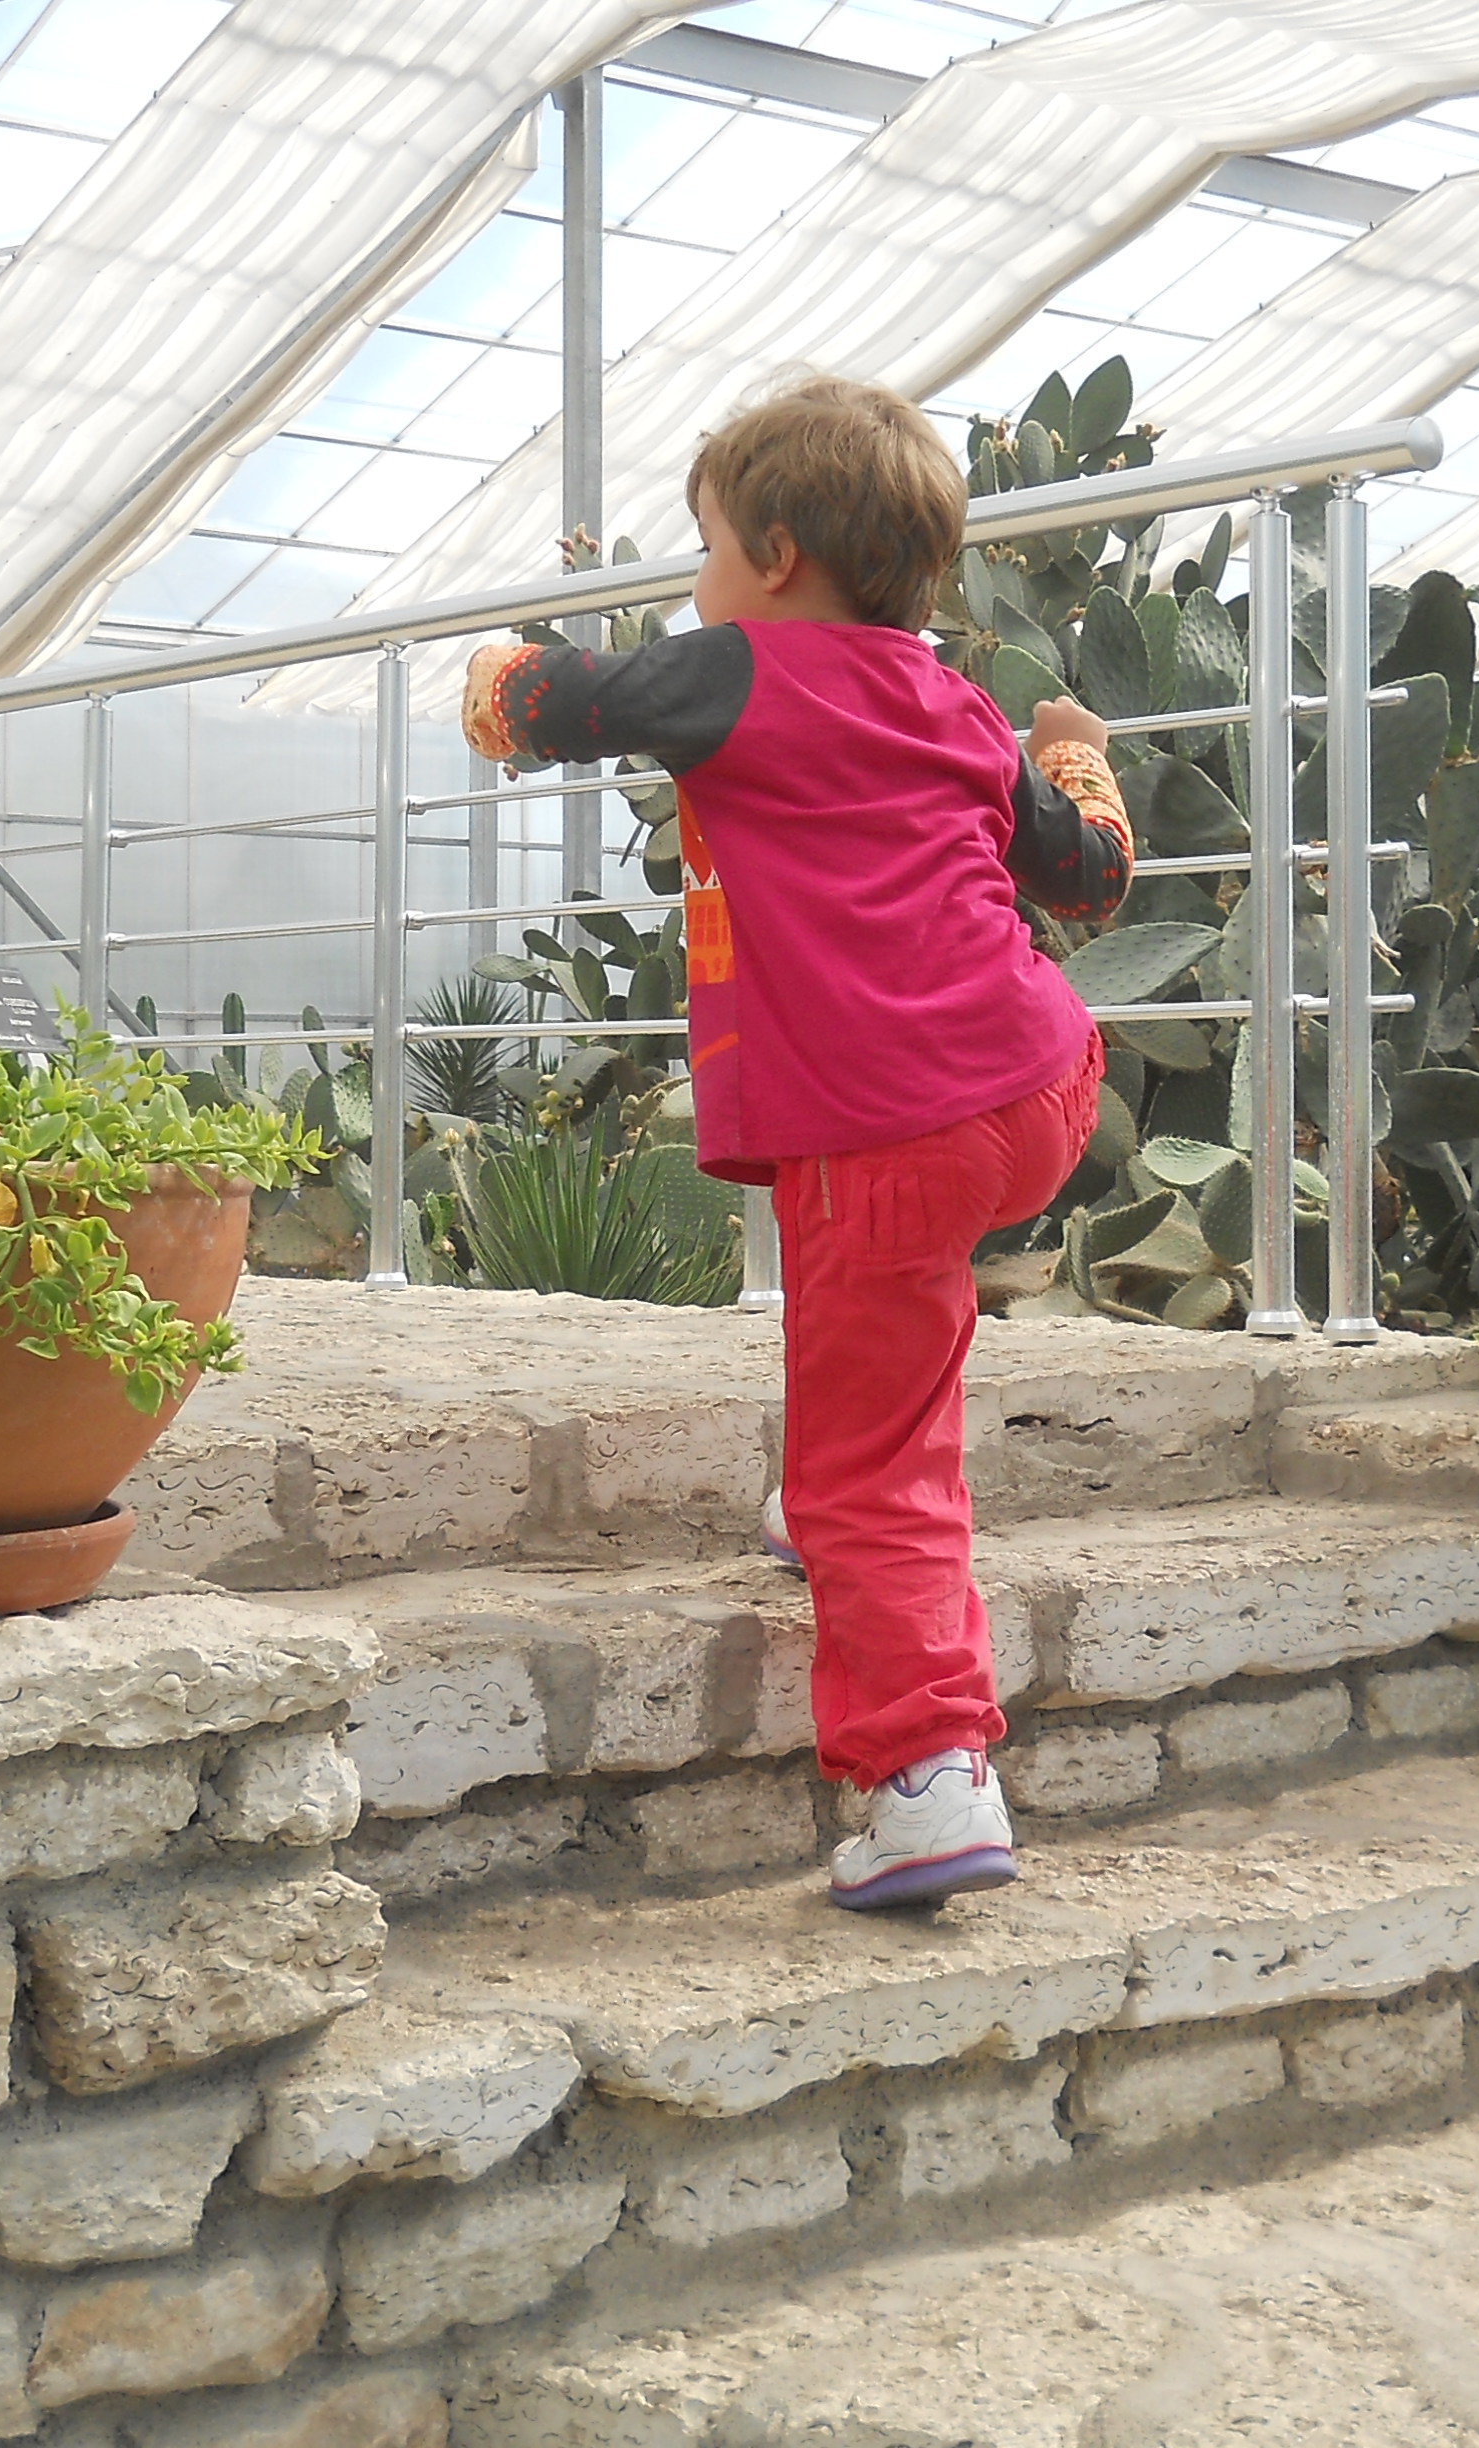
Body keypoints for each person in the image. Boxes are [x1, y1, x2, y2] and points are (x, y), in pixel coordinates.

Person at [460, 372, 1132, 1910]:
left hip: (894, 1126)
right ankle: (822, 1486)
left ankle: (930, 1779)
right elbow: (1091, 879)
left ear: (772, 555)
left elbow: (530, 707)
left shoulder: (731, 670)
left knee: (875, 1476)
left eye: (704, 547)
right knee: (897, 1327)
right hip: (1038, 1083)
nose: (696, 580)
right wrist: (1078, 750)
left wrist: (489, 661)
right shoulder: (959, 707)